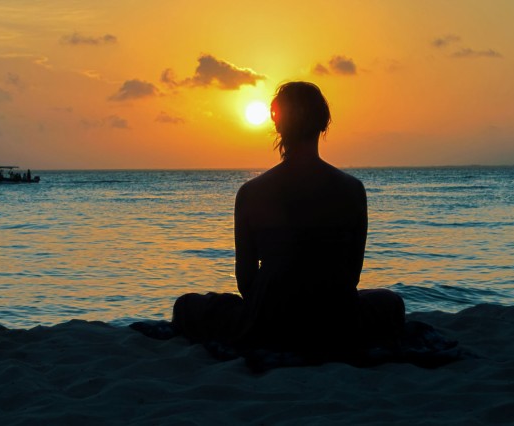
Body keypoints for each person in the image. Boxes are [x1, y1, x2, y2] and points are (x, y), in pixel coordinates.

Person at [172, 81, 405, 360]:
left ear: (278, 124)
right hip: (335, 318)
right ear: (323, 125)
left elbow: (246, 280)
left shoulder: (251, 193)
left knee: (187, 306)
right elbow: (351, 276)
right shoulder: (352, 190)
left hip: (271, 318)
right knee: (391, 303)